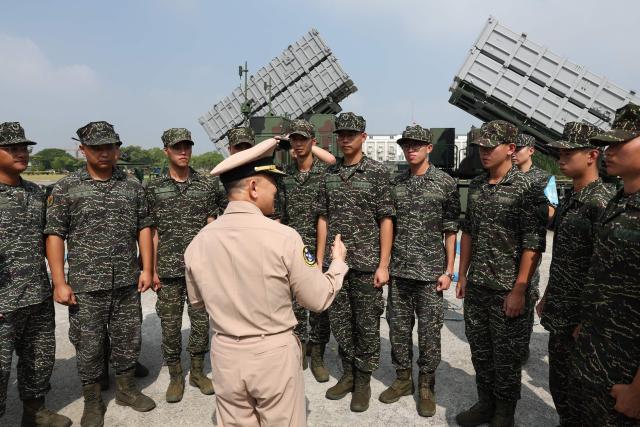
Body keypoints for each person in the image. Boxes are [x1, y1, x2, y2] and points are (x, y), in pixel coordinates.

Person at [184, 138, 348, 426]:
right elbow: (318, 299)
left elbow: (198, 303)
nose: (276, 192)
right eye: (272, 184)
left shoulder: (198, 242)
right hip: (272, 354)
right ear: (253, 187)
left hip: (225, 355)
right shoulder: (283, 237)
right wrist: (337, 265)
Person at [45, 121, 156, 426]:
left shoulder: (132, 185)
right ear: (84, 150)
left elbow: (143, 226)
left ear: (118, 148)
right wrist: (60, 282)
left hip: (125, 279)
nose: (105, 153)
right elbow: (55, 234)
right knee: (89, 344)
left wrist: (146, 268)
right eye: (97, 148)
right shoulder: (67, 187)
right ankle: (93, 400)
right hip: (85, 283)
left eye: (110, 146)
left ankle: (126, 389)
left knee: (128, 339)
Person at [455, 120, 547, 427]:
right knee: (481, 353)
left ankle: (504, 413)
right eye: (481, 146)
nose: (484, 152)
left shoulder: (528, 189)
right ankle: (485, 404)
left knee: (507, 359)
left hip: (508, 289)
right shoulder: (478, 185)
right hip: (478, 286)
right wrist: (463, 274)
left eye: (490, 147)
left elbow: (533, 244)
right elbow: (467, 231)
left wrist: (520, 289)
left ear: (510, 149)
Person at [315, 112, 395, 412]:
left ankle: (363, 381)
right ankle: (347, 373)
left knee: (367, 325)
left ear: (363, 136)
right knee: (340, 323)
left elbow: (386, 220)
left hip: (366, 264)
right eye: (341, 134)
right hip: (337, 266)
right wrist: (323, 260)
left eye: (352, 133)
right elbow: (322, 218)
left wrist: (383, 264)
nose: (345, 138)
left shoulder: (377, 173)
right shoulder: (330, 175)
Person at [378, 124, 460, 417]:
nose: (410, 149)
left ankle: (426, 384)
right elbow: (388, 226)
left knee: (429, 333)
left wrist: (449, 270)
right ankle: (403, 379)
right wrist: (384, 265)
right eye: (406, 145)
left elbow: (451, 229)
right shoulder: (396, 184)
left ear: (428, 148)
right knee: (399, 331)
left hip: (430, 274)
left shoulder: (445, 183)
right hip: (400, 272)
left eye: (416, 144)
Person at [536, 122, 614, 426]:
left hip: (583, 320)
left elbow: (605, 270)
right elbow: (566, 258)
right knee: (562, 388)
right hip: (562, 311)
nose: (561, 156)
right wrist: (548, 294)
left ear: (593, 154)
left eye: (570, 151)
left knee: (584, 396)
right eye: (560, 151)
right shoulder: (571, 199)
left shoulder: (602, 202)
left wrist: (588, 319)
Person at [572, 103, 640, 425]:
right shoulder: (617, 202)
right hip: (597, 356)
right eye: (606, 144)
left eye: (618, 143)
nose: (607, 151)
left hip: (628, 371)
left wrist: (638, 389)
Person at [0, 122, 72, 427]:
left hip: (36, 294)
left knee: (39, 357)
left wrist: (58, 282)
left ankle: (35, 411)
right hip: (3, 301)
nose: (21, 153)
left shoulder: (36, 193)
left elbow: (49, 239)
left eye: (24, 148)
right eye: (12, 148)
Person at [144, 128, 219, 403]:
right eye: (177, 147)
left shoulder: (206, 184)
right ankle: (176, 375)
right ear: (166, 150)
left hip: (199, 270)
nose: (183, 151)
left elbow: (212, 224)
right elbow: (151, 232)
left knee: (201, 322)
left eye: (187, 146)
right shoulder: (153, 188)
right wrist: (150, 270)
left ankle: (197, 371)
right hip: (168, 269)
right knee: (170, 324)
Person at [282, 119, 336, 381]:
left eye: (304, 138)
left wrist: (320, 257)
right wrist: (278, 142)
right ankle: (301, 348)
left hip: (316, 250)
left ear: (313, 141)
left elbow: (334, 161)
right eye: (295, 139)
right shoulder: (284, 175)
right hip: (290, 250)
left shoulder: (324, 175)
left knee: (319, 306)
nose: (299, 143)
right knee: (293, 305)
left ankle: (319, 356)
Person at [512, 133, 558, 363]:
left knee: (526, 292)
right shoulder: (503, 176)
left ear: (531, 150)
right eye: (512, 148)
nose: (514, 152)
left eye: (519, 148)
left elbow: (551, 211)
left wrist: (534, 212)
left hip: (529, 248)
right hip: (503, 248)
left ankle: (522, 345)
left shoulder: (543, 178)